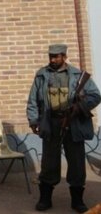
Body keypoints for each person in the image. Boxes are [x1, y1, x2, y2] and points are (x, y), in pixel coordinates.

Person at [27, 43, 100, 212]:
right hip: (51, 123)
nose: (52, 59)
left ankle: (77, 201)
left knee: (76, 163)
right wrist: (33, 120)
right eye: (50, 56)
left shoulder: (78, 75)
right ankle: (45, 199)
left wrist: (79, 107)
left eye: (56, 56)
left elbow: (96, 96)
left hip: (73, 124)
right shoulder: (41, 75)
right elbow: (33, 100)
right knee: (49, 163)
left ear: (64, 57)